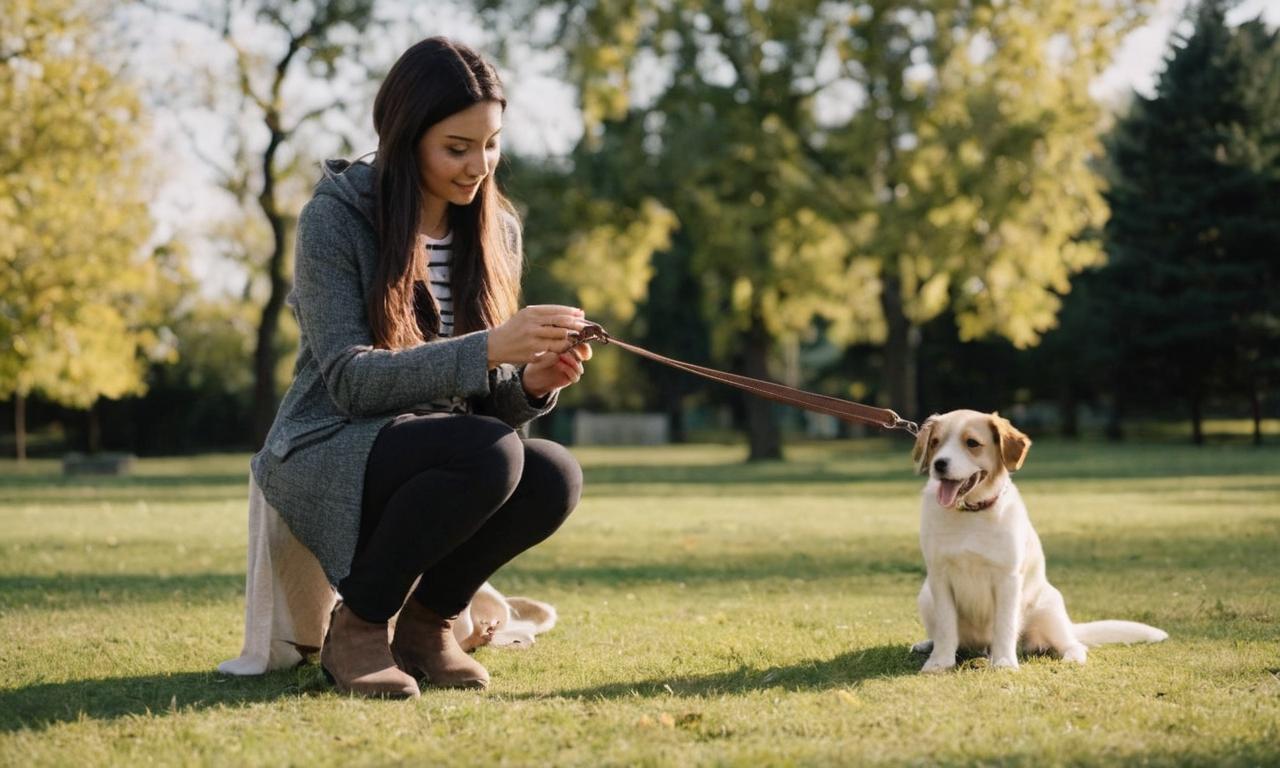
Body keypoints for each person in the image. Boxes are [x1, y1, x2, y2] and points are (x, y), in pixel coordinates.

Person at [250, 37, 592, 699]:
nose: (478, 167)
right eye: (456, 148)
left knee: (553, 473)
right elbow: (350, 381)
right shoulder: (335, 219)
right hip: (329, 442)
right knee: (489, 455)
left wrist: (528, 385)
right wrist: (492, 347)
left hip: (439, 443)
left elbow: (480, 404)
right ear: (406, 139)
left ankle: (427, 626)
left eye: (490, 145)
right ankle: (359, 627)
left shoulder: (497, 231)